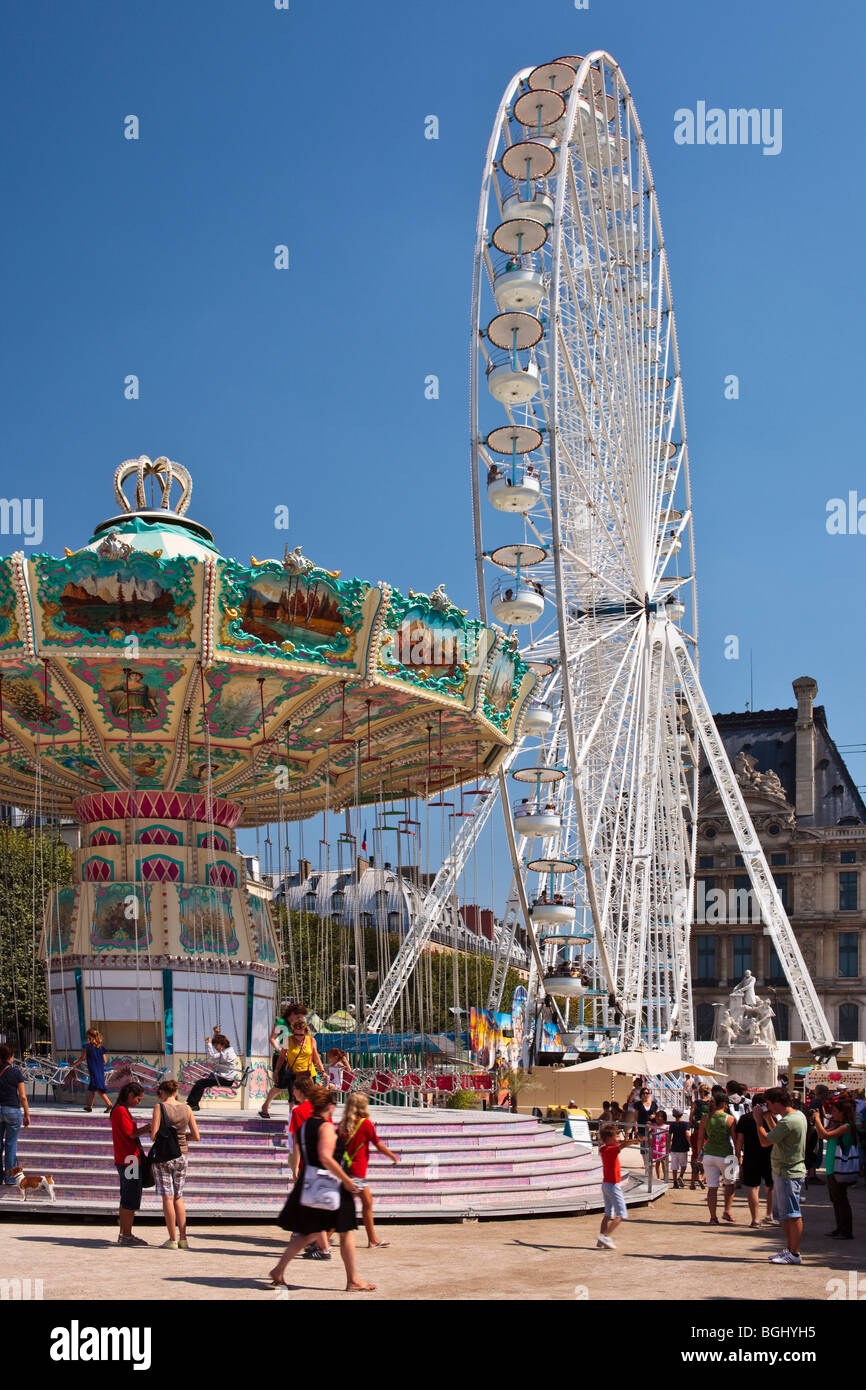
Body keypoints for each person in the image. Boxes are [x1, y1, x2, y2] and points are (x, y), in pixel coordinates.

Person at [268, 1084, 375, 1293]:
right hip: (331, 1186)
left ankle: (279, 1269)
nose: (335, 1107)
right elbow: (326, 1157)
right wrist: (346, 1179)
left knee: (307, 1233)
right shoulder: (325, 1127)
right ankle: (353, 1279)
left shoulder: (306, 1124)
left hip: (310, 1185)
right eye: (334, 1104)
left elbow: (300, 1150)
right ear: (328, 1105)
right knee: (345, 1232)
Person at [338, 1092, 399, 1249]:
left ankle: (372, 1239)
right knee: (350, 1207)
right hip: (357, 1171)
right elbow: (378, 1144)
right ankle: (321, 1243)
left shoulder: (342, 1124)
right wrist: (393, 1156)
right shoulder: (365, 1124)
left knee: (365, 1203)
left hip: (346, 1170)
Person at [754, 1086, 807, 1265]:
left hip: (787, 1172)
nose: (767, 1107)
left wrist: (758, 1121)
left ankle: (794, 1252)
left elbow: (765, 1141)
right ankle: (791, 1249)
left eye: (768, 1104)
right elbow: (777, 1136)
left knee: (792, 1214)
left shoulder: (788, 1121)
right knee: (785, 1215)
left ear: (776, 1103)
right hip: (786, 1171)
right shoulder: (796, 1116)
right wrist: (769, 1119)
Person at [149, 1078, 200, 1249]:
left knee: (167, 1197)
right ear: (176, 1092)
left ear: (161, 1093)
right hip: (182, 1155)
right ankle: (183, 1238)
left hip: (164, 1156)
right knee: (178, 1197)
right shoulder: (187, 1108)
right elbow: (196, 1136)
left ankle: (171, 1239)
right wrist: (180, 1137)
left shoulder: (159, 1107)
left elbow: (154, 1135)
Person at [260, 1008, 323, 1118]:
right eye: (296, 1034)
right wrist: (276, 1071)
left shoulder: (312, 1041)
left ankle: (307, 1119)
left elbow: (316, 1057)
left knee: (310, 1097)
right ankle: (292, 1119)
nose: (298, 1037)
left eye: (301, 1035)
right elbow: (282, 1056)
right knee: (292, 1097)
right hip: (293, 1073)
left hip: (308, 1073)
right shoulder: (287, 1040)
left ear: (306, 1032)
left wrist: (322, 1071)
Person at [813, 1094, 859, 1240]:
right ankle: (840, 1228)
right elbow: (822, 1134)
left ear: (842, 1113)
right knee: (836, 1199)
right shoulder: (837, 1124)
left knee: (841, 1199)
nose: (832, 1113)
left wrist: (818, 1119)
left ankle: (846, 1230)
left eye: (834, 1111)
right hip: (832, 1167)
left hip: (840, 1168)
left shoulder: (846, 1127)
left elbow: (825, 1135)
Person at [111, 1081, 150, 1246]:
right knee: (130, 1197)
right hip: (130, 1160)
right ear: (130, 1096)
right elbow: (131, 1135)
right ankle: (126, 1234)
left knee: (126, 1197)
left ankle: (124, 1233)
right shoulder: (121, 1111)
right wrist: (148, 1127)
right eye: (138, 1099)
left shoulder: (119, 1110)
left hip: (126, 1159)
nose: (138, 1103)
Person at [596, 1121, 640, 1249]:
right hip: (613, 1185)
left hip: (605, 1184)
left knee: (608, 1214)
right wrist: (633, 1141)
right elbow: (622, 1146)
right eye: (616, 1136)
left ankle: (601, 1236)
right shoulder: (611, 1150)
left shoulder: (603, 1149)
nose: (618, 1138)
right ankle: (606, 1237)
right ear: (609, 1139)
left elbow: (620, 1145)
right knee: (622, 1214)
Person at [735, 1090, 775, 1228]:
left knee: (753, 1188)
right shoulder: (771, 1118)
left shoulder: (745, 1119)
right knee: (770, 1187)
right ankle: (769, 1215)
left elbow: (739, 1140)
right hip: (770, 1156)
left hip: (750, 1156)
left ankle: (755, 1219)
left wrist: (738, 1155)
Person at [697, 1093, 737, 1225]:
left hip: (709, 1154)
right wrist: (739, 1155)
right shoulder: (730, 1119)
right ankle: (727, 1210)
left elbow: (700, 1137)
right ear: (725, 1104)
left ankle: (713, 1217)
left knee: (712, 1187)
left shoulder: (705, 1118)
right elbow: (735, 1140)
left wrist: (699, 1153)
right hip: (726, 1154)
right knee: (730, 1184)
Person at [0, 1044, 30, 1187]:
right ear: (10, 1056)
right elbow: (23, 1096)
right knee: (11, 1145)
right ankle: (10, 1178)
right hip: (12, 1111)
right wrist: (27, 1114)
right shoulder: (16, 1072)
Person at [187, 1031, 240, 1111]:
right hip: (223, 1077)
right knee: (201, 1082)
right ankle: (192, 1103)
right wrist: (214, 1036)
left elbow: (219, 1057)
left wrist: (211, 1044)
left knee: (200, 1083)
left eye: (216, 1045)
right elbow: (213, 1057)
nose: (215, 1047)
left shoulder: (228, 1052)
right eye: (214, 1045)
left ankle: (193, 1104)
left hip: (225, 1079)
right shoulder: (224, 1052)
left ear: (222, 1044)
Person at [75, 1028, 112, 1114]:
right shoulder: (101, 1048)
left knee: (98, 1088)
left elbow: (82, 1058)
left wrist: (74, 1064)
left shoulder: (87, 1047)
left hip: (93, 1070)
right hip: (100, 1070)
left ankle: (109, 1104)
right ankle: (89, 1106)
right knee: (92, 1089)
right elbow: (104, 1060)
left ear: (89, 1037)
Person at [689, 1087, 710, 1190]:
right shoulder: (711, 1102)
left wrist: (692, 1123)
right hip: (708, 1130)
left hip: (697, 1129)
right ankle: (703, 1178)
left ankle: (693, 1182)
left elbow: (691, 1115)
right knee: (706, 1156)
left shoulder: (696, 1102)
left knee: (696, 1154)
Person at [668, 1108, 690, 1188]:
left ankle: (675, 1182)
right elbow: (687, 1134)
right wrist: (690, 1143)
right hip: (683, 1147)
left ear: (673, 1115)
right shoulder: (685, 1124)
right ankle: (681, 1176)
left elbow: (669, 1136)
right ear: (682, 1114)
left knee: (674, 1166)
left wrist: (668, 1146)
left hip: (674, 1147)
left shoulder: (672, 1125)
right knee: (683, 1164)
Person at [649, 1109, 669, 1180]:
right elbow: (648, 1130)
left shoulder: (667, 1127)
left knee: (663, 1161)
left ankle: (665, 1176)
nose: (659, 1118)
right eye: (657, 1116)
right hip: (655, 1145)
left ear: (664, 1118)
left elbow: (669, 1137)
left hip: (663, 1146)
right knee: (657, 1162)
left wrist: (666, 1143)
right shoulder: (653, 1125)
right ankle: (658, 1177)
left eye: (661, 1117)